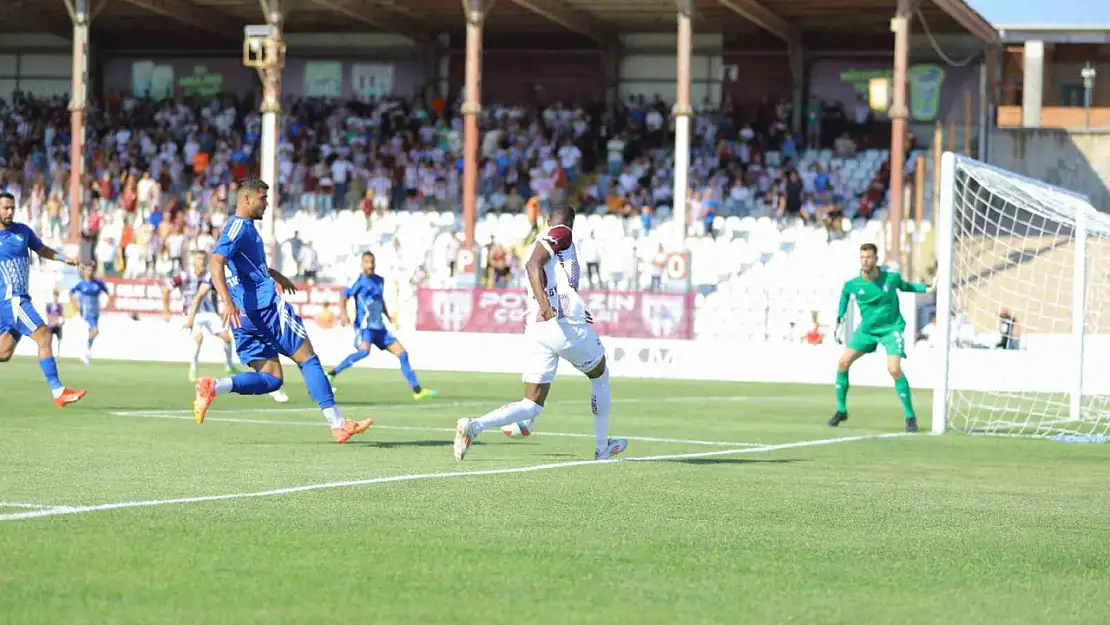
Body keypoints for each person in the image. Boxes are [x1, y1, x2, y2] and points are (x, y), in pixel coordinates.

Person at [191, 178, 371, 443]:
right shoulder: (239, 226)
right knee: (307, 359)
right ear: (247, 199)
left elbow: (240, 266)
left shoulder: (243, 229)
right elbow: (216, 263)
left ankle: (213, 386)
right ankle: (338, 424)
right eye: (262, 198)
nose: (266, 203)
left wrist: (274, 274)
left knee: (272, 378)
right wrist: (227, 301)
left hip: (246, 318)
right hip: (266, 310)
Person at [452, 204, 627, 461]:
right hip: (560, 324)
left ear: (545, 220)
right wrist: (548, 307)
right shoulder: (561, 233)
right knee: (600, 375)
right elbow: (533, 265)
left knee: (531, 402)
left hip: (538, 330)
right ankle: (602, 448)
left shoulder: (552, 245)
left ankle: (473, 426)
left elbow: (555, 280)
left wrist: (570, 305)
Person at [830, 243, 930, 432]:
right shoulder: (853, 284)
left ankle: (910, 416)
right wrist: (839, 317)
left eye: (868, 257)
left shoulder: (891, 278)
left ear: (876, 259)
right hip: (867, 330)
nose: (865, 261)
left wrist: (927, 288)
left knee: (893, 368)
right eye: (862, 257)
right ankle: (841, 410)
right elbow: (844, 296)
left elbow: (906, 286)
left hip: (891, 329)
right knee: (843, 363)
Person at [0, 191, 87, 407]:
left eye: (12, 207)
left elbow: (41, 249)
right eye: (5, 208)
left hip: (17, 300)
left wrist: (63, 258)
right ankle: (59, 392)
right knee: (44, 335)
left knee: (4, 353)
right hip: (12, 300)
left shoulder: (23, 231)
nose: (10, 211)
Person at [170, 250, 290, 403]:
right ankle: (195, 370)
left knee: (227, 339)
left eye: (203, 259)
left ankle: (227, 368)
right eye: (199, 259)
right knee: (273, 371)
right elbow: (194, 295)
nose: (201, 262)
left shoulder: (215, 272)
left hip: (214, 313)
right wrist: (188, 318)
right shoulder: (193, 274)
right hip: (217, 315)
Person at [328, 251, 438, 401]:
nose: (370, 265)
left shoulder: (380, 280)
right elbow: (343, 295)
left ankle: (417, 391)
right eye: (367, 262)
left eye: (372, 262)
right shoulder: (359, 281)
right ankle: (332, 374)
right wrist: (343, 313)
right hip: (365, 326)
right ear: (362, 264)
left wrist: (387, 315)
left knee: (403, 354)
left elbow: (380, 300)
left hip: (379, 328)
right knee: (364, 352)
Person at [69, 263, 109, 365]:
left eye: (91, 270)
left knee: (93, 332)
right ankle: (86, 351)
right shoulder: (82, 284)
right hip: (86, 311)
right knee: (94, 330)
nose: (90, 272)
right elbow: (71, 293)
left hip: (95, 311)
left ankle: (86, 351)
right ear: (85, 272)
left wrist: (106, 302)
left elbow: (107, 292)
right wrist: (74, 305)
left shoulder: (98, 283)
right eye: (88, 270)